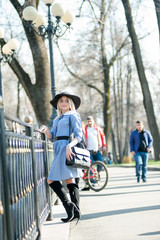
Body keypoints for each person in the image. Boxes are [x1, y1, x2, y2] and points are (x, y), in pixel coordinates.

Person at [40, 92, 82, 223]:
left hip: (66, 148)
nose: (64, 103)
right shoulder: (57, 119)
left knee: (51, 180)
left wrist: (70, 145)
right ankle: (74, 211)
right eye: (61, 101)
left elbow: (78, 135)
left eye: (66, 101)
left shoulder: (73, 115)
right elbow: (52, 136)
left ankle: (70, 207)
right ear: (58, 104)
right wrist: (45, 130)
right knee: (69, 180)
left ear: (70, 104)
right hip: (58, 148)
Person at [82, 115, 107, 191]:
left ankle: (96, 175)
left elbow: (102, 136)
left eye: (91, 121)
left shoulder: (97, 128)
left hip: (97, 149)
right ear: (87, 122)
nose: (90, 122)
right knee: (91, 165)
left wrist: (104, 145)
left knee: (100, 164)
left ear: (93, 121)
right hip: (88, 151)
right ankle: (92, 181)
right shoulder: (85, 129)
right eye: (88, 121)